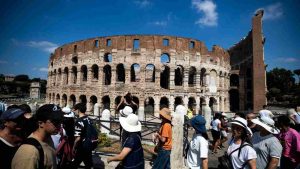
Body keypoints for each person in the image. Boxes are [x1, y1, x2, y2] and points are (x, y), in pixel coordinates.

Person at [12, 104, 64, 169]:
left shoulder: (48, 139)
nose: (60, 124)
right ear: (41, 123)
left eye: (61, 120)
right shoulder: (29, 151)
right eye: (55, 121)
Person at [72, 103, 93, 169]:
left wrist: (74, 147)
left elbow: (78, 138)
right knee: (89, 164)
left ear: (78, 110)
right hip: (89, 144)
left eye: (74, 110)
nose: (74, 112)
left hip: (82, 147)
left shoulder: (79, 121)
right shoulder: (88, 119)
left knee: (74, 164)